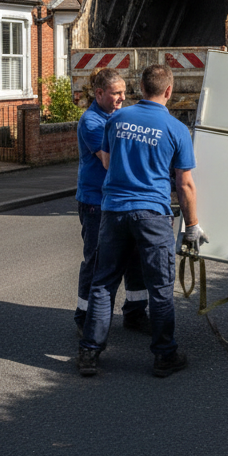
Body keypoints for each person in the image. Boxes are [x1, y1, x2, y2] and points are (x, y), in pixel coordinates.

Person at [77, 64, 205, 378]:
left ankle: (89, 354)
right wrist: (192, 226)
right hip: (152, 214)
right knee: (160, 288)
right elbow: (184, 183)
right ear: (170, 91)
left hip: (114, 211)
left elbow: (108, 160)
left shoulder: (117, 119)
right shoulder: (176, 129)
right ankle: (164, 356)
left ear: (141, 89)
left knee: (104, 283)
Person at [73, 68, 149, 338]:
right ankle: (85, 315)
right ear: (99, 93)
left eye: (124, 93)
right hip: (95, 202)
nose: (122, 98)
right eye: (116, 93)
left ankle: (136, 312)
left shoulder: (120, 118)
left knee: (134, 257)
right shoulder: (92, 121)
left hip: (119, 200)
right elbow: (107, 160)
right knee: (96, 259)